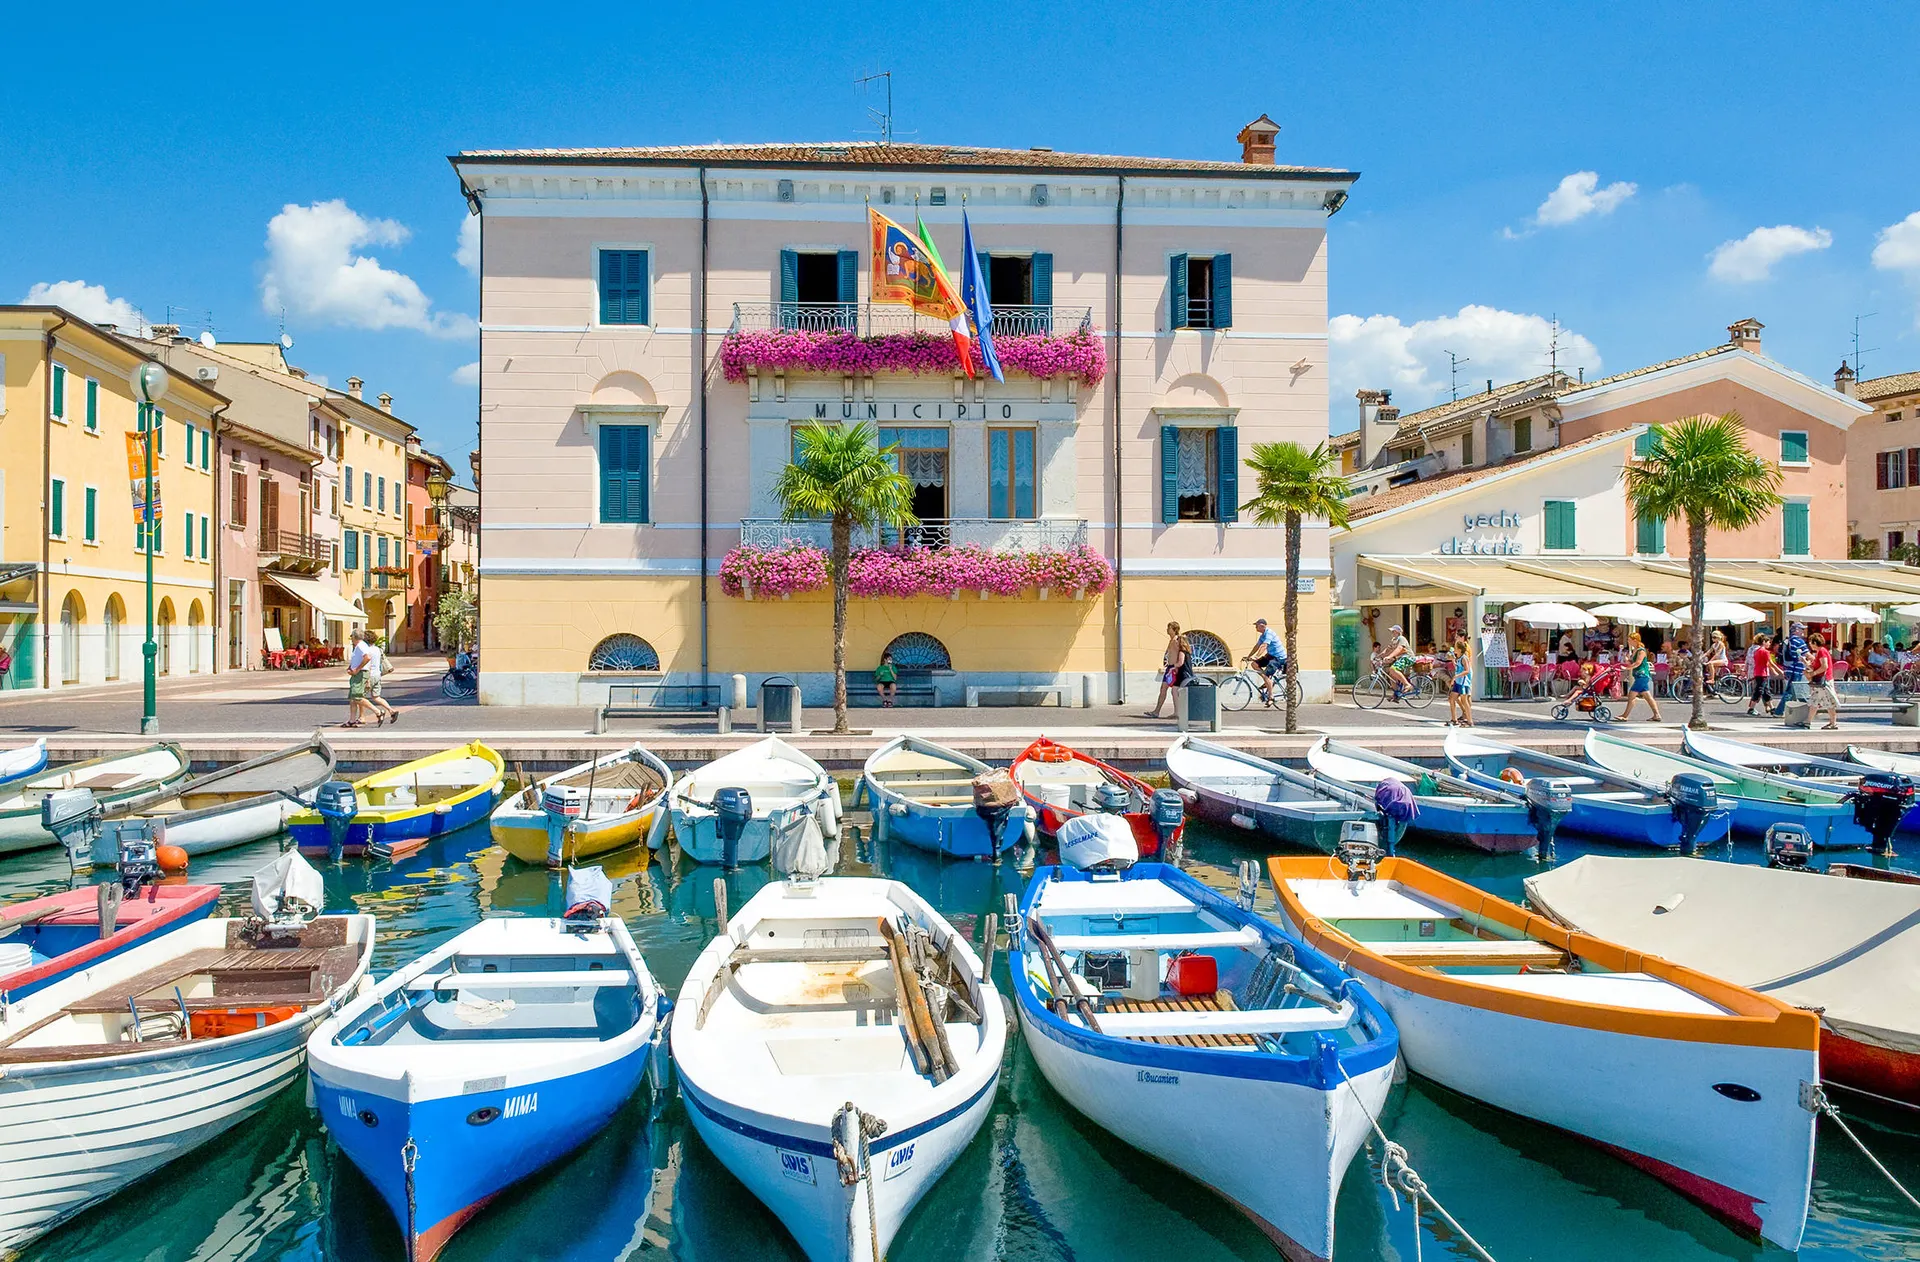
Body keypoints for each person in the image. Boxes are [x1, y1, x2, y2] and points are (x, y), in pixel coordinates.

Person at [1145, 623, 1193, 718]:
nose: (1167, 629)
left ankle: (1176, 712)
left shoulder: (1177, 641)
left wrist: (1176, 667)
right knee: (1163, 688)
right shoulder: (1171, 640)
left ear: (1174, 629)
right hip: (1170, 668)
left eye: (1169, 628)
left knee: (1173, 690)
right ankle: (1157, 711)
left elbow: (1181, 654)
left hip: (1175, 669)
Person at [360, 630, 400, 726]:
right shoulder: (378, 649)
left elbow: (368, 664)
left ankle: (363, 717)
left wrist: (368, 679)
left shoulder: (367, 650)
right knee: (376, 697)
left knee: (359, 697)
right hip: (378, 675)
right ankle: (392, 711)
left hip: (370, 675)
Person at [1244, 618, 1287, 708]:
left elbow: (1264, 646)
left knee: (1267, 677)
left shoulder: (1269, 633)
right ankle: (1266, 680)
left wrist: (1256, 656)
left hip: (1279, 657)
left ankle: (1271, 697)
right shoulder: (1262, 635)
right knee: (1254, 664)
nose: (1255, 627)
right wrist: (1248, 656)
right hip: (1270, 655)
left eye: (1257, 626)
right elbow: (1257, 646)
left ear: (1262, 626)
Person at [1620, 631, 1662, 722]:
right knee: (1648, 696)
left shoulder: (1641, 651)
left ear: (1635, 640)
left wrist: (1627, 668)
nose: (1628, 641)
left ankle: (1625, 715)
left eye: (1630, 640)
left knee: (1632, 695)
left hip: (1642, 675)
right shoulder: (1634, 650)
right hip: (1638, 675)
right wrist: (1626, 659)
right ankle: (1657, 715)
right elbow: (1631, 662)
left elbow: (1638, 663)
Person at [1775, 621, 1811, 724]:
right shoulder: (1799, 641)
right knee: (1791, 691)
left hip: (1789, 668)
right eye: (1802, 629)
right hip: (1796, 669)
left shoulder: (1789, 640)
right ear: (1796, 630)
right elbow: (1808, 655)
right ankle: (1779, 711)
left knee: (1794, 691)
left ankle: (1798, 710)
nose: (1803, 631)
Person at [1809, 632, 1842, 731]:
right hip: (1824, 681)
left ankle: (1808, 722)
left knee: (1819, 701)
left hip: (1824, 681)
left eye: (1810, 642)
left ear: (1814, 642)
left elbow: (1824, 666)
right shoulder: (1821, 651)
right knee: (1819, 701)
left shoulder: (1822, 651)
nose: (1809, 644)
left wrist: (1813, 673)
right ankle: (1808, 721)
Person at [1375, 624, 1414, 698]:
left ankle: (1407, 684)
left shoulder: (1401, 638)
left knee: (1393, 669)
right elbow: (1387, 649)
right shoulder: (1393, 640)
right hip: (1400, 659)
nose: (1392, 633)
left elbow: (1399, 649)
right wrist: (1379, 656)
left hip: (1408, 657)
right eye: (1392, 631)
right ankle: (1396, 694)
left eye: (1393, 631)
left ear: (1397, 632)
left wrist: (1389, 656)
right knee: (1391, 675)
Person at [344, 633, 371, 727]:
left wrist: (357, 669)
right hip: (357, 673)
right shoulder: (359, 646)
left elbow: (367, 657)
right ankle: (352, 720)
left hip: (360, 673)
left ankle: (378, 712)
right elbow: (357, 659)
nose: (351, 639)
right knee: (352, 698)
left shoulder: (361, 646)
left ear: (355, 637)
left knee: (356, 696)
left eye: (351, 637)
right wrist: (350, 667)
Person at [1446, 638, 1474, 727]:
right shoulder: (1458, 658)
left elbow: (1467, 670)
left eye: (1455, 647)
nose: (1454, 649)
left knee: (1464, 701)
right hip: (1458, 682)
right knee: (1451, 699)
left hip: (1463, 682)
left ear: (1460, 649)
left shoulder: (1464, 658)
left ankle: (1470, 721)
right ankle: (1454, 720)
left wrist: (1456, 677)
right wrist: (1452, 660)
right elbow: (1458, 668)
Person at [1744, 634, 1774, 716]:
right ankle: (1752, 708)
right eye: (1768, 642)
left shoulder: (1753, 649)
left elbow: (1747, 660)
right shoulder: (1763, 651)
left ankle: (1771, 707)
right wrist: (1777, 671)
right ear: (1763, 642)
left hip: (1755, 672)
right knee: (1759, 690)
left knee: (1764, 690)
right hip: (1762, 672)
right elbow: (1769, 663)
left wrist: (1745, 669)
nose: (1769, 644)